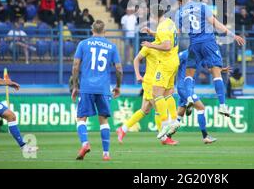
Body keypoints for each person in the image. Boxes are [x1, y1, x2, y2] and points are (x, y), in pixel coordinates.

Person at [174, 0, 245, 119]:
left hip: (194, 45)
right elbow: (215, 23)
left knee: (189, 74)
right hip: (208, 42)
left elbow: (176, 34)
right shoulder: (202, 6)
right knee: (216, 73)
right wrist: (232, 35)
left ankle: (189, 97)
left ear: (179, 1)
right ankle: (223, 106)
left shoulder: (179, 13)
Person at [71, 20, 123, 161]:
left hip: (87, 87)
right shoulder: (111, 46)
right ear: (104, 31)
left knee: (81, 118)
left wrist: (75, 86)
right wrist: (118, 86)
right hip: (104, 88)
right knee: (103, 120)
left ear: (92, 30)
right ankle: (106, 154)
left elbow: (75, 66)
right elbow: (118, 69)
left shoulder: (83, 44)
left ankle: (85, 143)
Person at [116, 43, 178, 145]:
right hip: (149, 82)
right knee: (159, 108)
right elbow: (136, 59)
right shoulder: (149, 46)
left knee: (145, 109)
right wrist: (138, 75)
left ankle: (123, 129)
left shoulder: (165, 47)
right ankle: (164, 138)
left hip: (159, 81)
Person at [140, 6, 180, 141]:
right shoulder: (169, 22)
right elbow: (169, 38)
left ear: (153, 15)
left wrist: (150, 45)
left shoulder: (162, 28)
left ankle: (165, 124)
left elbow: (167, 45)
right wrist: (152, 33)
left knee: (156, 93)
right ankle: (174, 120)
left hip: (165, 63)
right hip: (174, 61)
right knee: (168, 93)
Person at [175, 50, 219, 144]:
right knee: (201, 108)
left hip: (189, 88)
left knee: (179, 114)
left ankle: (167, 136)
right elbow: (173, 65)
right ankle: (205, 136)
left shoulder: (200, 56)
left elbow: (209, 69)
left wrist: (220, 70)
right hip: (184, 88)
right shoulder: (184, 54)